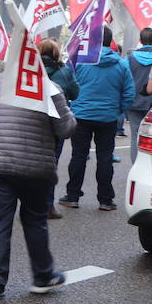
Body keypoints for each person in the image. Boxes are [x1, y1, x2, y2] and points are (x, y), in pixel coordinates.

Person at [0, 61, 75, 300]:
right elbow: (66, 128)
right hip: (35, 166)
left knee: (0, 220)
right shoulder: (48, 88)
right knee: (34, 219)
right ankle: (42, 276)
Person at [62, 27, 133, 211]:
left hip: (81, 115)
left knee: (78, 156)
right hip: (108, 118)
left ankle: (72, 196)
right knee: (105, 158)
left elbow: (67, 86)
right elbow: (129, 94)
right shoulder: (121, 64)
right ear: (110, 42)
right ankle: (105, 199)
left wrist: (73, 106)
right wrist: (118, 110)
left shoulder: (78, 61)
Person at [38, 40, 79, 219]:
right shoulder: (65, 72)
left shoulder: (32, 70)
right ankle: (47, 206)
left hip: (34, 120)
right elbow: (76, 93)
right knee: (51, 163)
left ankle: (30, 203)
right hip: (55, 123)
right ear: (56, 54)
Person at [127, 27, 152, 163]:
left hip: (134, 103)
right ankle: (150, 167)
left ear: (140, 40)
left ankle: (135, 165)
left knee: (134, 137)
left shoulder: (130, 58)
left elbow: (126, 81)